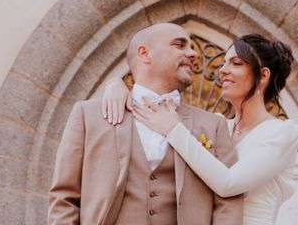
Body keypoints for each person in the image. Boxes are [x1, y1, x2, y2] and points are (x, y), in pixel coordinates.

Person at [48, 22, 243, 225]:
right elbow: (65, 197)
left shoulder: (213, 126)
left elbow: (228, 204)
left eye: (193, 47)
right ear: (144, 53)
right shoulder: (88, 115)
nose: (193, 54)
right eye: (179, 45)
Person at [103, 33, 298, 225]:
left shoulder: (282, 133)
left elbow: (228, 183)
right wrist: (117, 85)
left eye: (236, 63)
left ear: (263, 75)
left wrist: (174, 130)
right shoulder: (217, 124)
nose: (223, 70)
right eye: (223, 62)